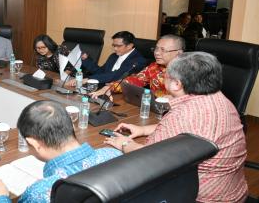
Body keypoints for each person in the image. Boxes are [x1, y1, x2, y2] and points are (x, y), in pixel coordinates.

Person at [104, 52, 247, 203]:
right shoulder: (219, 98)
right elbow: (192, 128)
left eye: (166, 74)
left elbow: (147, 160)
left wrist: (125, 143)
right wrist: (144, 130)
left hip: (199, 197)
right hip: (232, 191)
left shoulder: (182, 114)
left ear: (177, 84)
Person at [0, 100, 122, 203]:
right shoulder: (115, 155)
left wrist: (0, 198)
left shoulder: (40, 193)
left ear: (34, 143)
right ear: (72, 127)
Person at [90, 34, 184, 98]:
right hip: (153, 109)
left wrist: (175, 99)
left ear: (178, 53)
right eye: (156, 49)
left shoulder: (189, 71)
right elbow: (135, 80)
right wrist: (110, 87)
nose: (157, 53)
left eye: (163, 50)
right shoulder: (154, 67)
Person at [67, 31, 146, 86]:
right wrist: (86, 59)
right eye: (113, 45)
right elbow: (101, 72)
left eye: (118, 46)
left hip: (120, 94)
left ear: (129, 46)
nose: (115, 48)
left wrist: (87, 79)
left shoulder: (138, 61)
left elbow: (116, 75)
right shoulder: (114, 56)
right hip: (102, 87)